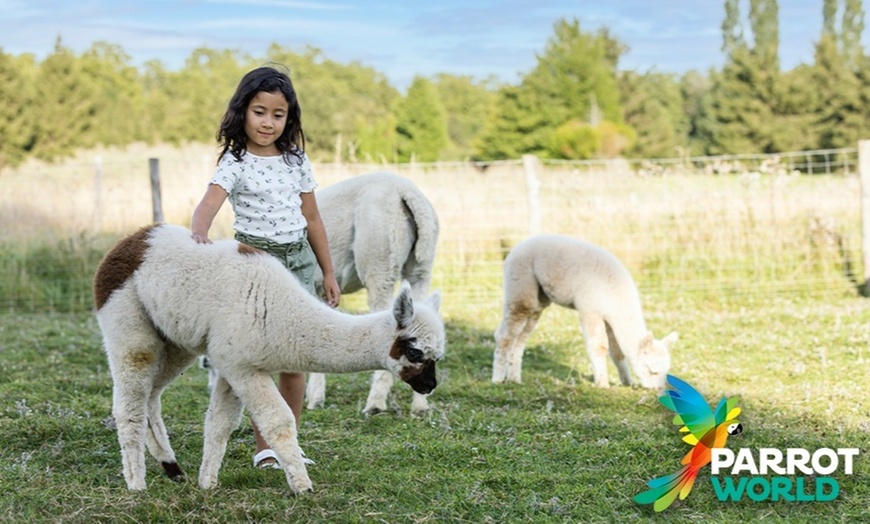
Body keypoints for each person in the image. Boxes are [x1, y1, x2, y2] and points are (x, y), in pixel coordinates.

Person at [191, 65, 341, 469]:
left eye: (279, 114)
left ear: (289, 118)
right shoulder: (235, 161)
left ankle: (287, 443)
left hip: (298, 261)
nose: (268, 122)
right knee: (261, 360)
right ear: (243, 111)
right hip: (254, 263)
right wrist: (200, 236)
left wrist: (326, 272)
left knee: (296, 359)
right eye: (260, 112)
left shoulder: (296, 160)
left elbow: (313, 219)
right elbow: (208, 203)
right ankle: (265, 448)